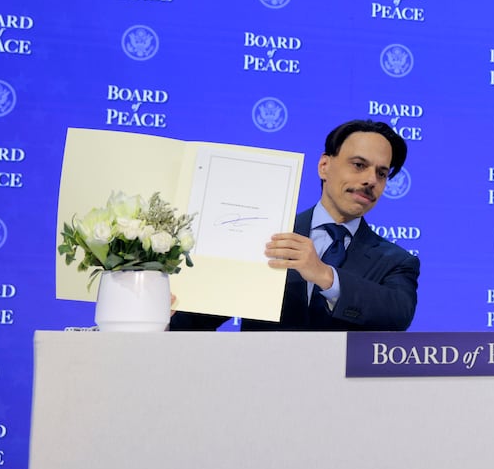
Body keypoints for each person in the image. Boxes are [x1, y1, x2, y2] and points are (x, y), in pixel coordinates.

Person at [170, 119, 419, 331]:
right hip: (259, 382)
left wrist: (326, 276)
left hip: (345, 386)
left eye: (381, 173)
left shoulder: (396, 261)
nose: (370, 180)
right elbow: (198, 318)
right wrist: (163, 310)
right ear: (324, 166)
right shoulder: (266, 236)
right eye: (359, 165)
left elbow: (397, 314)